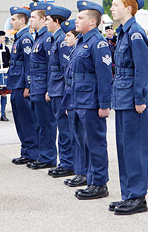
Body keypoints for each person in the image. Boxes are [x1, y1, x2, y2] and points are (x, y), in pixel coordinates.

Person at [108, 0, 148, 215]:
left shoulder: (135, 33)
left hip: (133, 98)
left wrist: (140, 99)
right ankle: (127, 194)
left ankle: (137, 196)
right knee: (124, 148)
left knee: (135, 148)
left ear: (129, 8)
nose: (112, 8)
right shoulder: (123, 32)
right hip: (122, 96)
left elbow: (142, 69)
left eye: (116, 5)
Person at [72, 0, 113, 200]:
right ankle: (91, 180)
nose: (76, 21)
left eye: (80, 18)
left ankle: (99, 183)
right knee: (85, 143)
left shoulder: (99, 43)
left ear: (92, 22)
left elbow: (104, 76)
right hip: (79, 100)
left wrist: (104, 104)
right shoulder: (82, 41)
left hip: (91, 101)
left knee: (96, 143)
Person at [26, 2, 58, 170]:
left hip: (42, 87)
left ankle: (48, 157)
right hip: (36, 87)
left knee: (47, 123)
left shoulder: (46, 38)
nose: (30, 20)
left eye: (33, 17)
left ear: (43, 19)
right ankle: (42, 154)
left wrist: (48, 89)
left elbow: (49, 65)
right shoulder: (38, 37)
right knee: (39, 123)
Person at [44, 5, 74, 178]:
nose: (46, 22)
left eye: (48, 19)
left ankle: (68, 163)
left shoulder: (63, 41)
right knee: (61, 128)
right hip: (55, 90)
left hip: (61, 91)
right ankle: (65, 161)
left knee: (64, 129)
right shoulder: (56, 39)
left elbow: (66, 70)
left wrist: (65, 94)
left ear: (56, 21)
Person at [8, 7, 38, 165]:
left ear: (22, 20)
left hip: (22, 84)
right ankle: (26, 150)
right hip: (16, 83)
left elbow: (28, 64)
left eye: (14, 19)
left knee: (27, 119)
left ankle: (32, 151)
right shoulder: (19, 37)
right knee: (20, 119)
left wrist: (28, 85)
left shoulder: (26, 38)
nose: (11, 22)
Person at [59, 20, 88, 187]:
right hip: (72, 97)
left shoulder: (80, 50)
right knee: (76, 137)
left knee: (82, 138)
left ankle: (84, 172)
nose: (66, 39)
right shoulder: (73, 51)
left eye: (68, 35)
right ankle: (79, 171)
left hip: (80, 98)